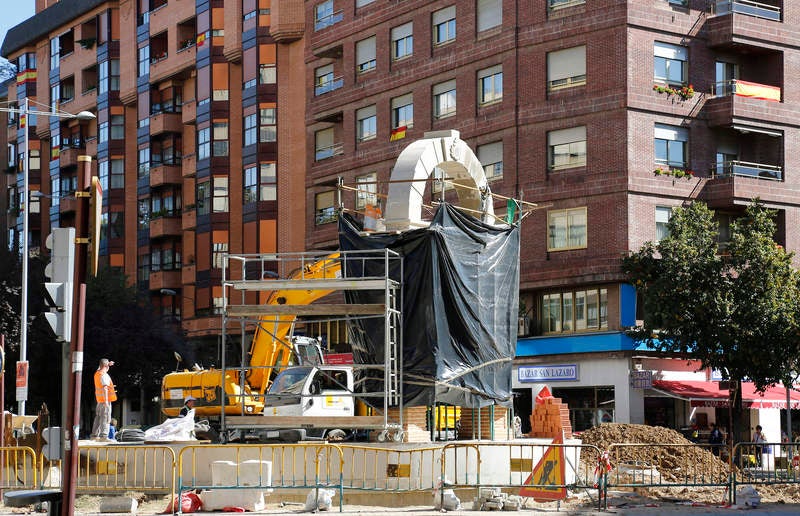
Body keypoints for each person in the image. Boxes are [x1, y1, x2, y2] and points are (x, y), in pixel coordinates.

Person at [91, 358, 117, 441]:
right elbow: (105, 388)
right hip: (105, 401)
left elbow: (101, 366)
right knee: (105, 418)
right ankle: (104, 436)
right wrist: (106, 401)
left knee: (98, 418)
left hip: (99, 401)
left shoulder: (97, 373)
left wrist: (107, 364)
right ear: (105, 366)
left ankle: (94, 436)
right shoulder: (104, 375)